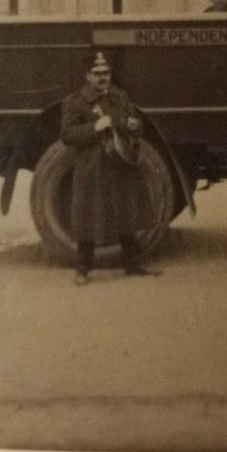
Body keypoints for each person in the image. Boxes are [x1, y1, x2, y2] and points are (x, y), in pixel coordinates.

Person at [59, 52, 160, 286]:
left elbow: (133, 124)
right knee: (89, 219)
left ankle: (133, 266)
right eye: (98, 74)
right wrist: (95, 127)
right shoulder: (75, 102)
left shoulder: (120, 96)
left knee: (125, 214)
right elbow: (66, 135)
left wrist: (135, 126)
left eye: (106, 73)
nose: (103, 78)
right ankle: (82, 269)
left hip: (119, 164)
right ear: (87, 76)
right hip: (92, 168)